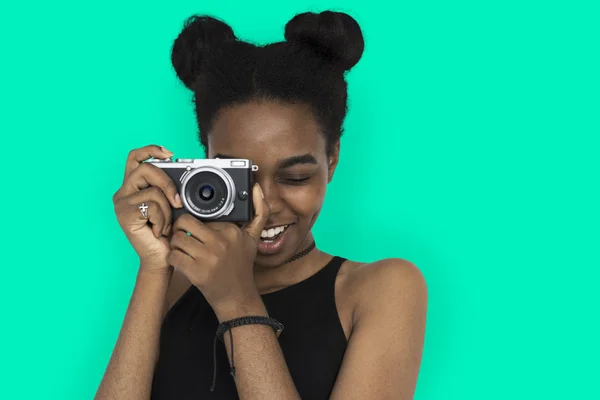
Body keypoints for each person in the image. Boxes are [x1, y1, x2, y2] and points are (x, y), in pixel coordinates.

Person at [95, 10, 427, 400]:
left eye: (296, 177)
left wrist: (236, 300)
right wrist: (154, 267)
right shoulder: (176, 278)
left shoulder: (381, 289)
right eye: (241, 176)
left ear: (332, 159)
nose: (264, 206)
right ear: (207, 159)